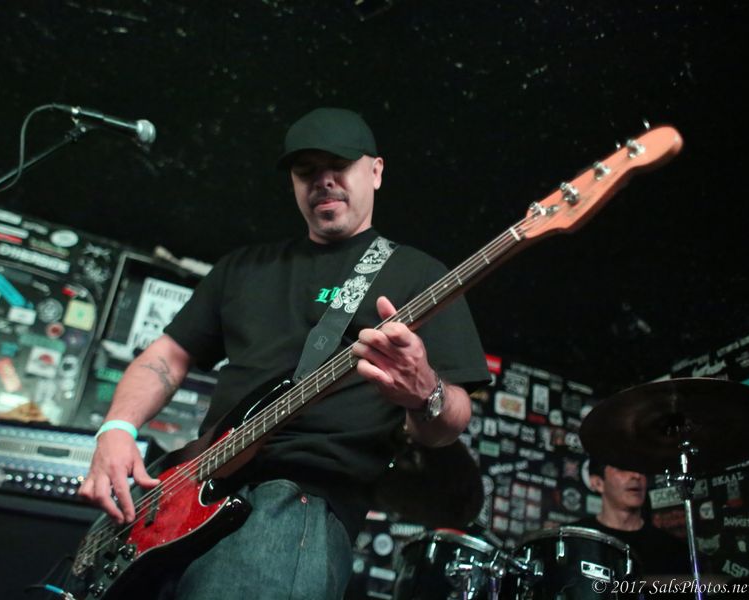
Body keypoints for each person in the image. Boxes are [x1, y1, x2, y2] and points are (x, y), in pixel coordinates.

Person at [78, 107, 490, 600]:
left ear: (376, 171)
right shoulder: (244, 267)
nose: (323, 180)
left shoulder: (421, 277)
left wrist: (425, 391)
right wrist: (116, 429)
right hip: (189, 490)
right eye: (306, 170)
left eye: (339, 165)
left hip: (295, 504)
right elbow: (167, 356)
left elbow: (450, 423)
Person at [575, 458, 691, 578]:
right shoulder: (573, 540)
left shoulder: (673, 550)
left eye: (640, 469)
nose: (636, 475)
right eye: (623, 468)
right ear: (598, 483)